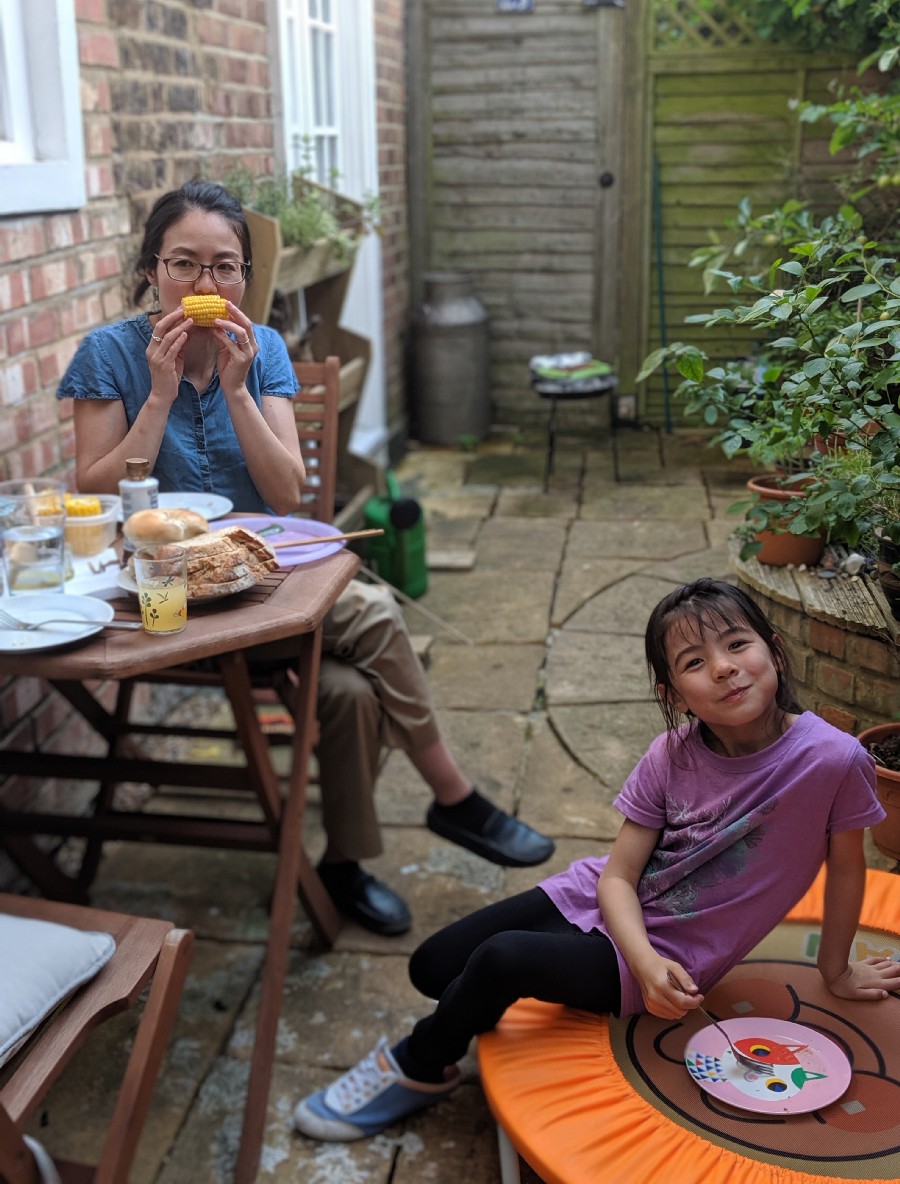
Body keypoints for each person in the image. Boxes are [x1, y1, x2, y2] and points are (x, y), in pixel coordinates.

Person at [56, 180, 554, 938]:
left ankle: (343, 867)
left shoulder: (262, 349)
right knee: (374, 611)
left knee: (350, 693)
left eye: (225, 266)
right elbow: (93, 494)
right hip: (161, 598)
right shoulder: (108, 354)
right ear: (152, 270)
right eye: (184, 263)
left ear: (245, 277)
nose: (204, 282)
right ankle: (455, 797)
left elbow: (288, 490)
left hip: (257, 580)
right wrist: (157, 397)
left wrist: (237, 391)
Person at [291, 576, 900, 1142]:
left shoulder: (833, 760)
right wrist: (637, 954)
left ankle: (422, 1065)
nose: (723, 667)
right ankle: (480, 1003)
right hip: (600, 901)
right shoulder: (671, 753)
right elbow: (618, 877)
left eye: (738, 644)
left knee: (501, 959)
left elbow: (847, 866)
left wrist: (835, 970)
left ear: (775, 652)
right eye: (694, 662)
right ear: (674, 695)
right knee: (431, 967)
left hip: (678, 950)